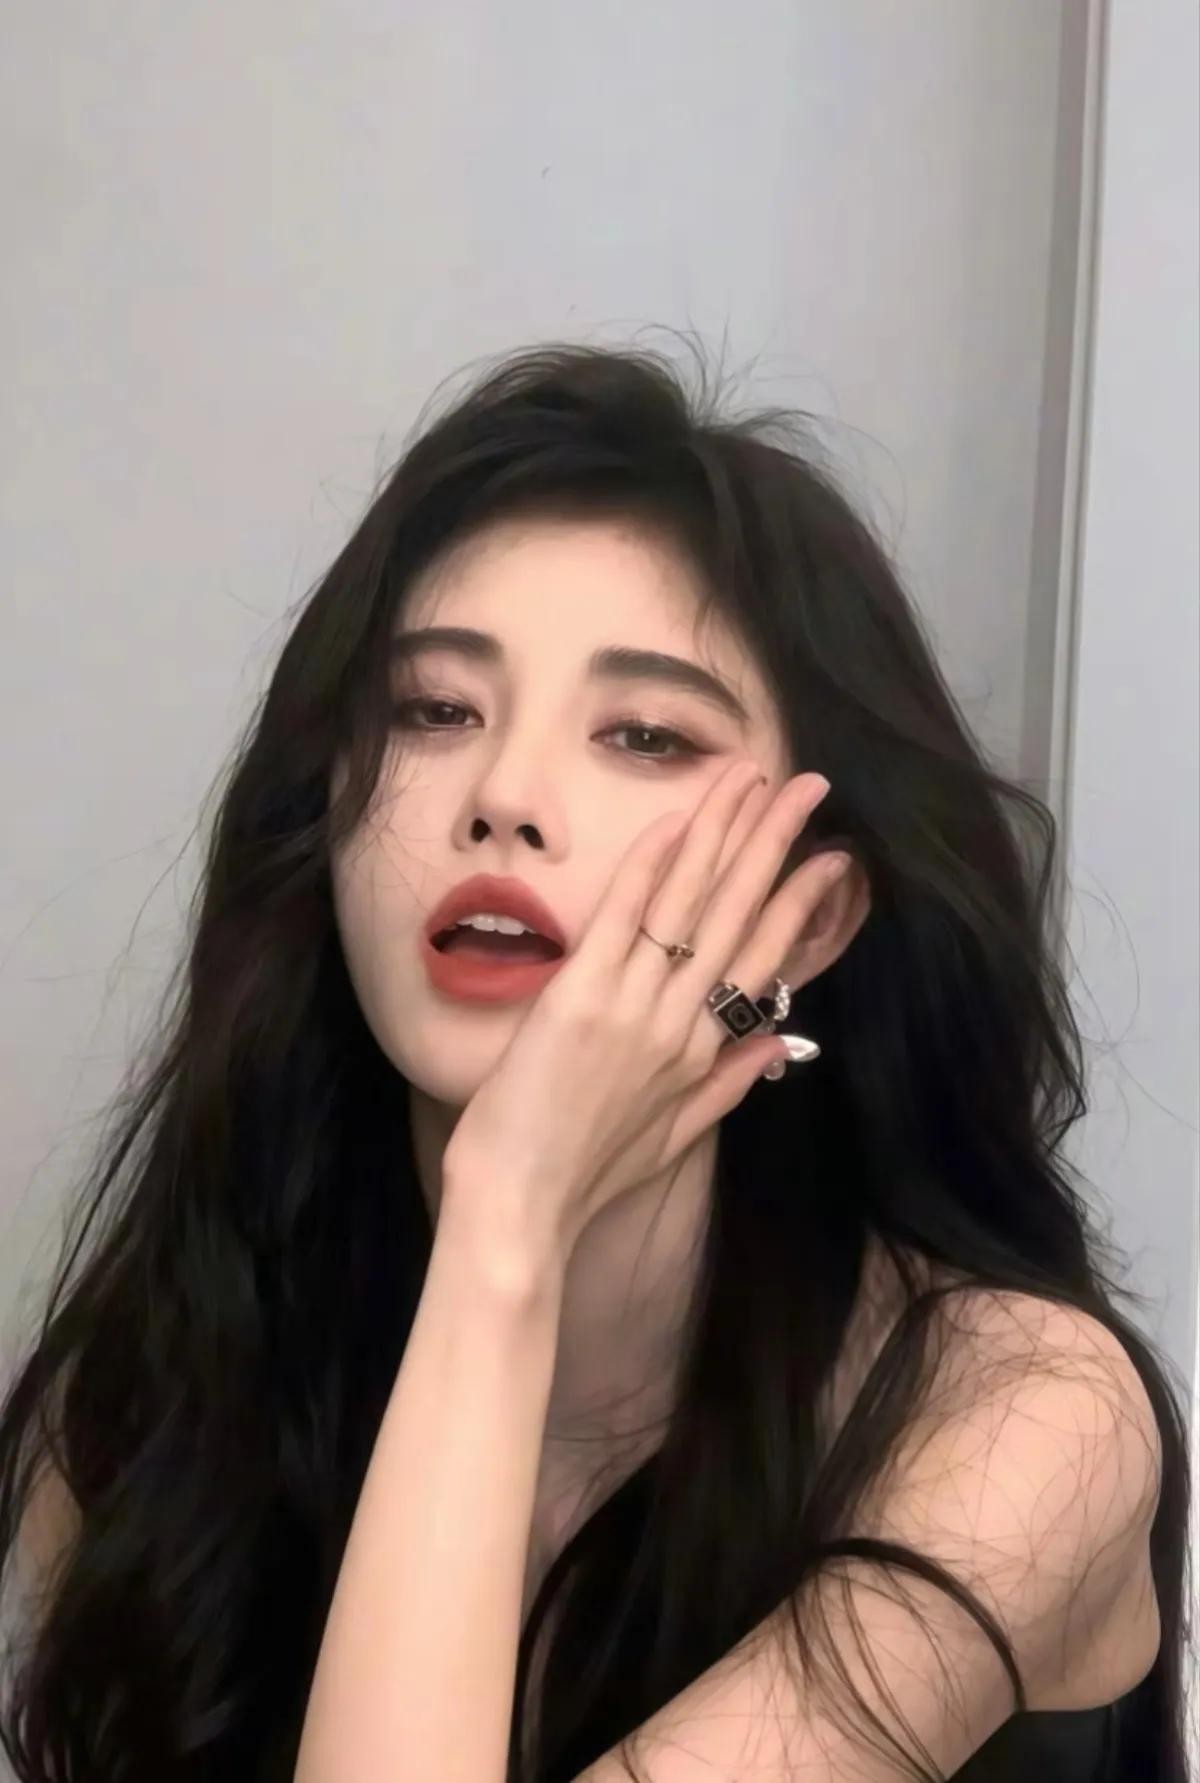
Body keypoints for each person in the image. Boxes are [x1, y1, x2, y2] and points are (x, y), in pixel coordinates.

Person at [0, 340, 1190, 1783]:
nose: (505, 796)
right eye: (434, 710)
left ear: (811, 916)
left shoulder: (1020, 1415)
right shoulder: (149, 1403)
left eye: (644, 733)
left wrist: (507, 1225)